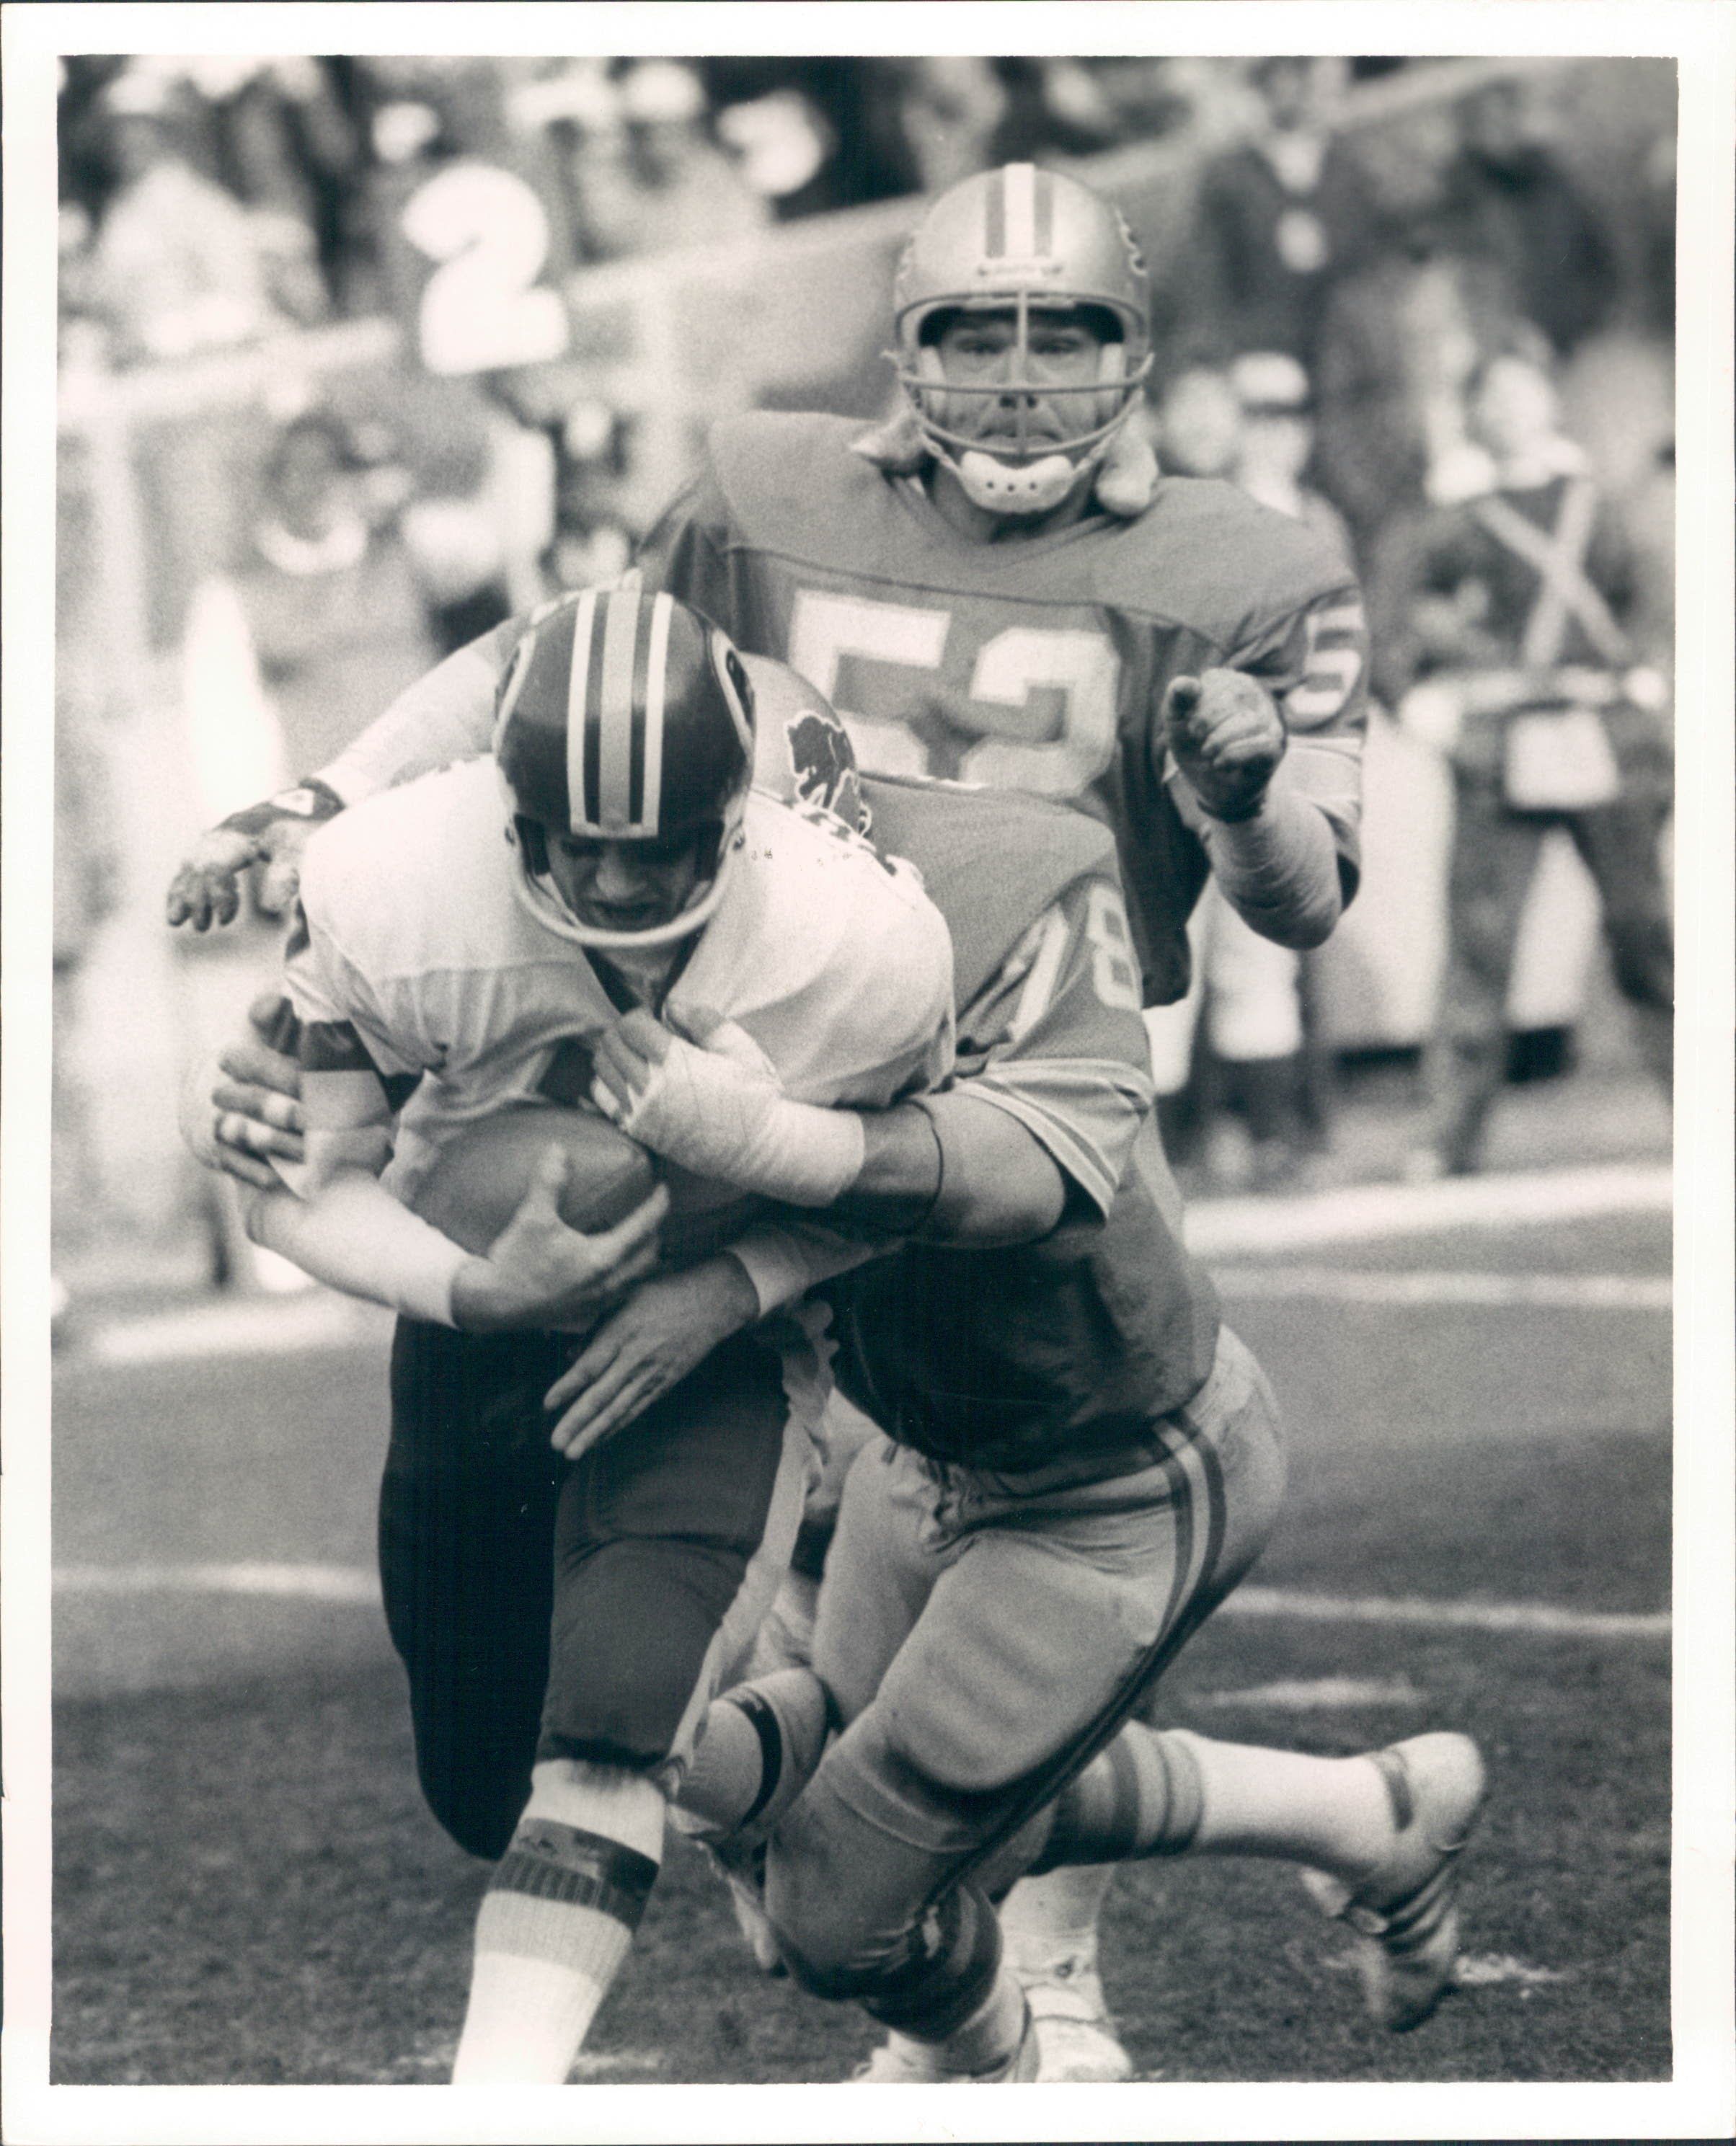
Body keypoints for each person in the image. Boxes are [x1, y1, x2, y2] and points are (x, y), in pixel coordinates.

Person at [165, 162, 1373, 2083]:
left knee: (984, 1601)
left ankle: (1034, 1988)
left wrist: (1241, 804)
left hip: (1005, 1096)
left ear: (1138, 350)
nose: (1020, 377)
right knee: (784, 1709)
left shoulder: (1251, 567)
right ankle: (1325, 1830)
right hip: (750, 1056)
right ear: (902, 347)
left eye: (1068, 331)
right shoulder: (765, 494)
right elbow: (557, 674)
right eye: (972, 330)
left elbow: (1310, 898)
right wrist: (321, 849)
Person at [193, 732, 1485, 2085]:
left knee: (833, 1906)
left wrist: (732, 1240)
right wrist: (250, 1093)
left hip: (1104, 1469)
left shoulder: (964, 917)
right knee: (769, 1775)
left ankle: (1004, 2067)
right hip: (918, 1448)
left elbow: (994, 1179)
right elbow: (432, 1030)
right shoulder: (730, 895)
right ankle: (1367, 1814)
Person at [208, 590, 955, 2085]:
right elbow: (291, 1186)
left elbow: (925, 1182)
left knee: (610, 1718)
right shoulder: (395, 880)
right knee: (483, 1790)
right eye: (577, 839)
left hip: (719, 1327)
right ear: (510, 815)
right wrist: (491, 1293)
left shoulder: (856, 939)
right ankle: (791, 1753)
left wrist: (730, 1285)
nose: (613, 879)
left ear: (729, 818)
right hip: (473, 1301)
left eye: (655, 841)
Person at [1371, 337, 1673, 1177]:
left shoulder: (1598, 505)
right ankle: (1448, 1133)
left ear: (1548, 400)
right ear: (1471, 413)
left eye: (1521, 392)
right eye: (1490, 397)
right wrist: (1413, 699)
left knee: (1644, 932)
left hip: (1602, 733)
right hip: (1498, 745)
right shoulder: (1450, 520)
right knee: (1477, 942)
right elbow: (1388, 621)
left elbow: (1648, 599)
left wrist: (1648, 671)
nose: (1507, 410)